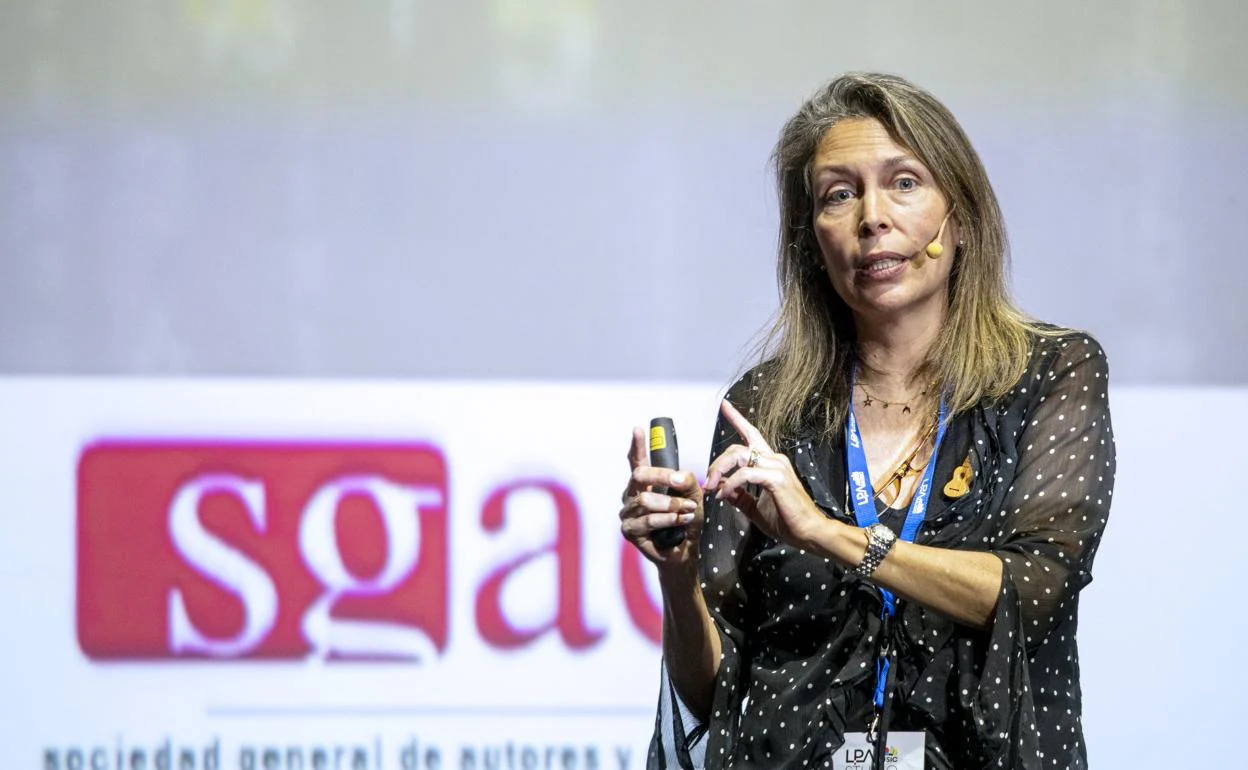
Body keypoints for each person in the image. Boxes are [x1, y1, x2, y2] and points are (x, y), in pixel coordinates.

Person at [618, 72, 1115, 770]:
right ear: (813, 244)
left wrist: (830, 534)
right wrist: (677, 575)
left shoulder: (1050, 374)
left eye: (904, 182)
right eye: (839, 195)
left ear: (961, 218)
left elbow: (1035, 590)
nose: (872, 217)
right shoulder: (766, 406)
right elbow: (715, 692)